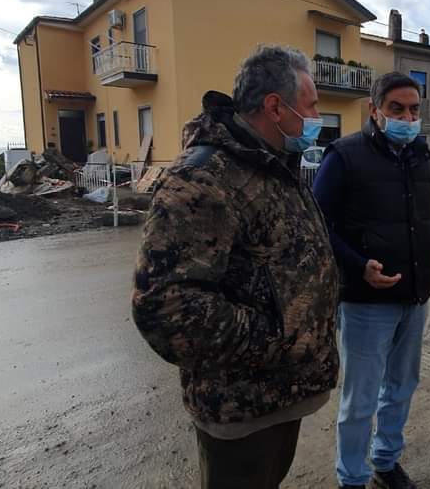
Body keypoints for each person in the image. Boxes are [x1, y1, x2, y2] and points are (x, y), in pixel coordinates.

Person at [131, 46, 340, 489]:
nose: (318, 115)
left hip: (282, 394)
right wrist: (278, 341)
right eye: (312, 105)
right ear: (274, 107)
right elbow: (165, 307)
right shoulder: (204, 177)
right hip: (242, 407)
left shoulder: (272, 165)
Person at [313, 72, 430, 489]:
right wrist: (357, 264)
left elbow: (426, 216)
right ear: (375, 110)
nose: (408, 116)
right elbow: (317, 225)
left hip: (415, 296)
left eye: (415, 109)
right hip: (365, 302)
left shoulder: (421, 154)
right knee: (360, 400)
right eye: (397, 109)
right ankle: (352, 478)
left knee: (401, 387)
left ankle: (385, 462)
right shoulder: (344, 155)